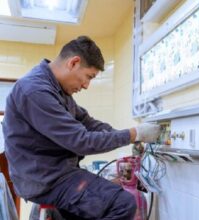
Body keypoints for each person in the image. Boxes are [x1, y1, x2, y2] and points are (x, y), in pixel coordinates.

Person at [2, 36, 161, 219]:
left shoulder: (58, 89)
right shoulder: (35, 90)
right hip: (46, 181)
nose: (86, 85)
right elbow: (81, 141)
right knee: (124, 204)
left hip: (55, 174)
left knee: (111, 191)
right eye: (88, 77)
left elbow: (88, 122)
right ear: (74, 63)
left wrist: (123, 134)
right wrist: (134, 134)